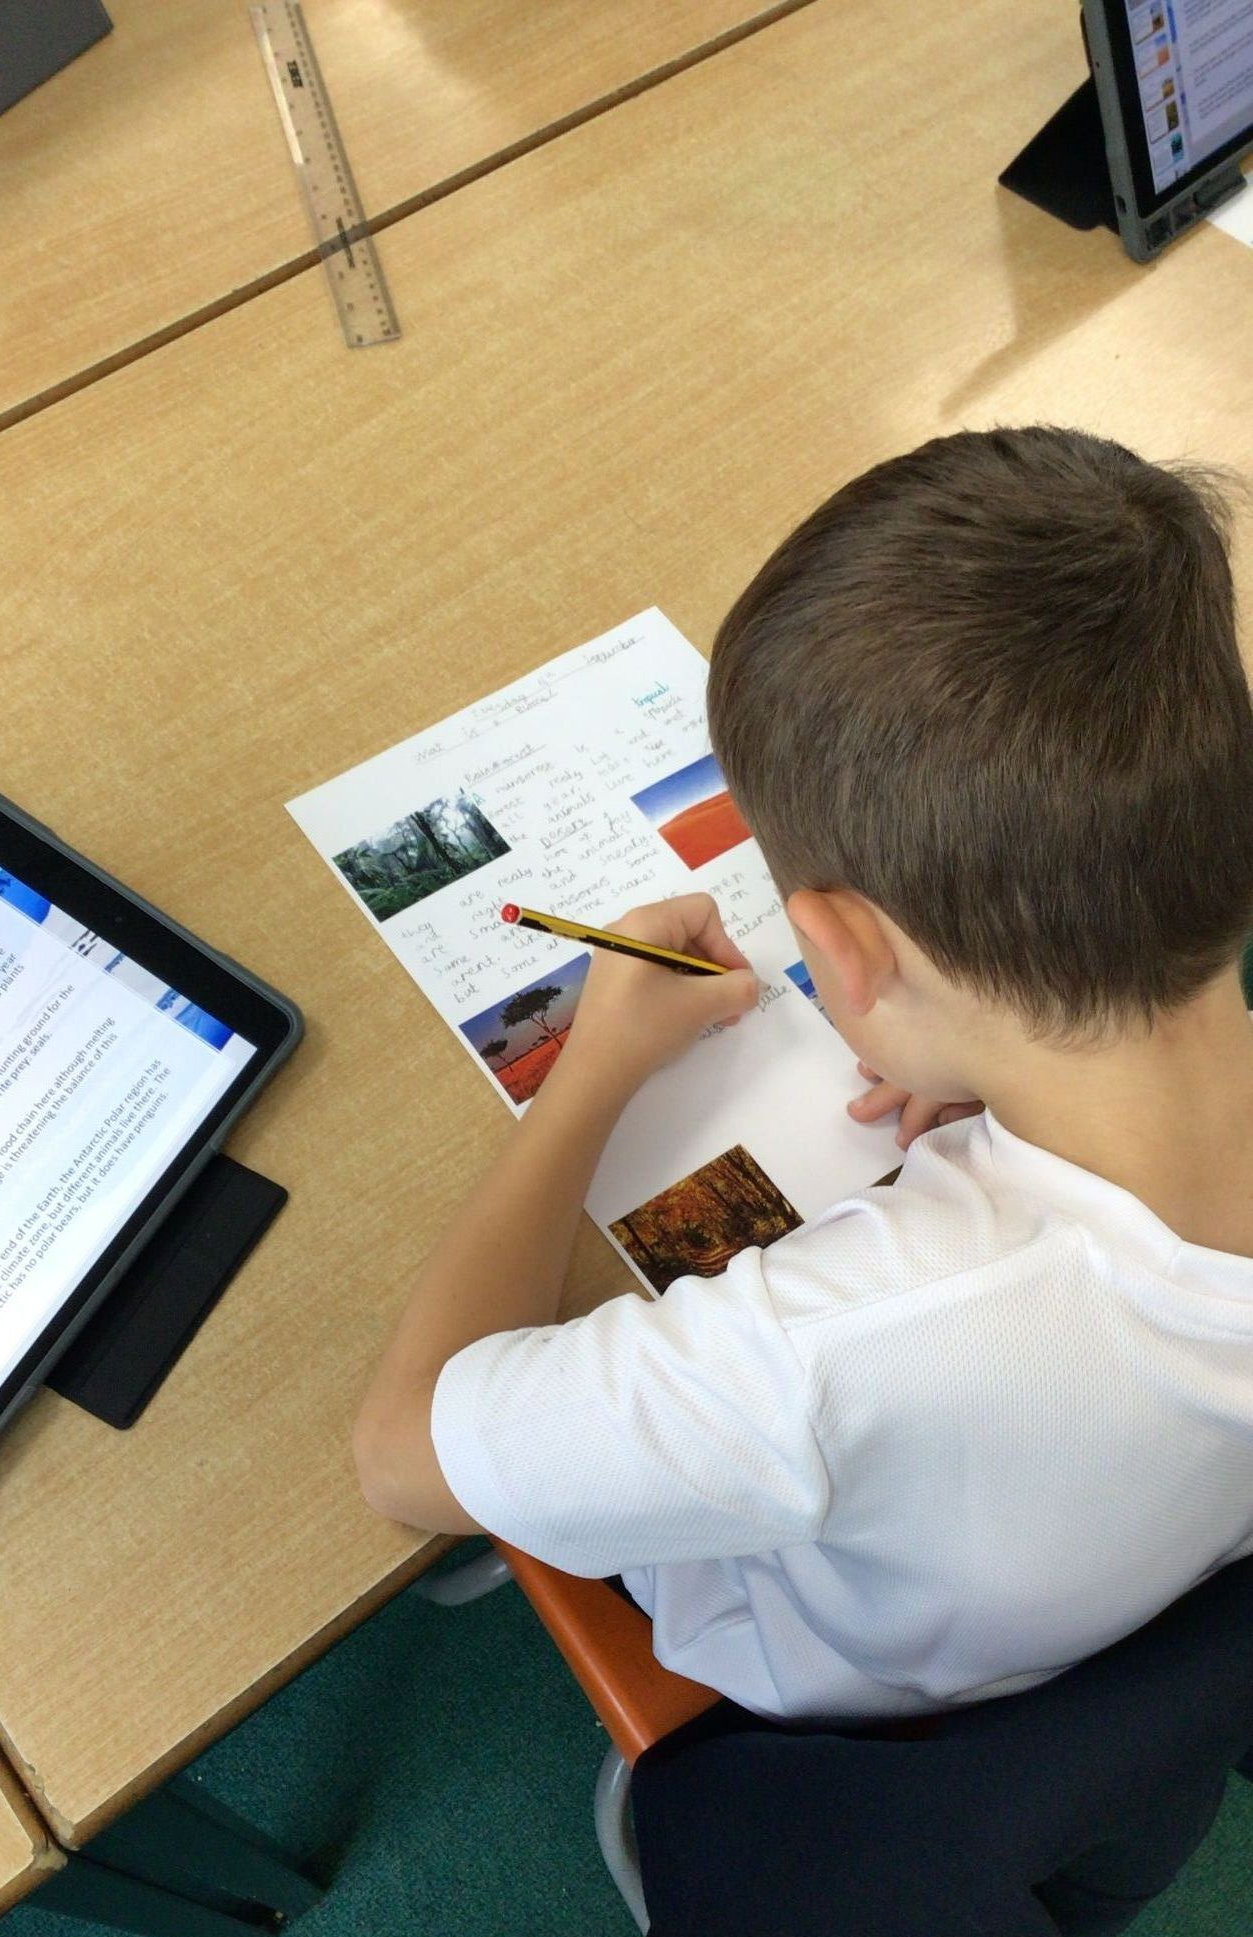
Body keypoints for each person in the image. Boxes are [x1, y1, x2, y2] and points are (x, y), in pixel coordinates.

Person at [351, 426, 1253, 1725]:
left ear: (838, 948)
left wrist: (592, 1073)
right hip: (1107, 1592)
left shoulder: (813, 1354)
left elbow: (396, 1455)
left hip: (836, 1675)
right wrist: (994, 1070)